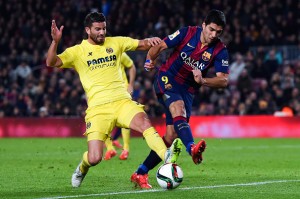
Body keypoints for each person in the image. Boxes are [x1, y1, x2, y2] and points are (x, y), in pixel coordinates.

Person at [46, 12, 183, 188]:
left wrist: (155, 41)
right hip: (98, 109)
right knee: (95, 157)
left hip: (122, 102)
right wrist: (55, 41)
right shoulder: (77, 51)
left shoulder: (116, 42)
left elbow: (141, 44)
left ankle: (167, 157)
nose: (102, 32)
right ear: (88, 30)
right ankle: (82, 167)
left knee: (144, 122)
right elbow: (51, 62)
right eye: (97, 29)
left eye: (104, 28)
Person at [131, 9, 229, 189]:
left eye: (218, 32)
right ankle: (191, 147)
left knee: (170, 135)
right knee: (178, 108)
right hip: (167, 77)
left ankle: (140, 172)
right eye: (212, 30)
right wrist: (150, 58)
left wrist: (204, 80)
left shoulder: (220, 49)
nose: (214, 35)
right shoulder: (187, 33)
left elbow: (223, 80)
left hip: (188, 90)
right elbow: (160, 46)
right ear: (204, 25)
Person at [104, 52, 136, 160]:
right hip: (105, 93)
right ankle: (110, 148)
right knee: (104, 120)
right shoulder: (94, 55)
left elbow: (131, 65)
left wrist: (131, 85)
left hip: (122, 90)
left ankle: (126, 149)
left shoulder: (118, 52)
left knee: (125, 120)